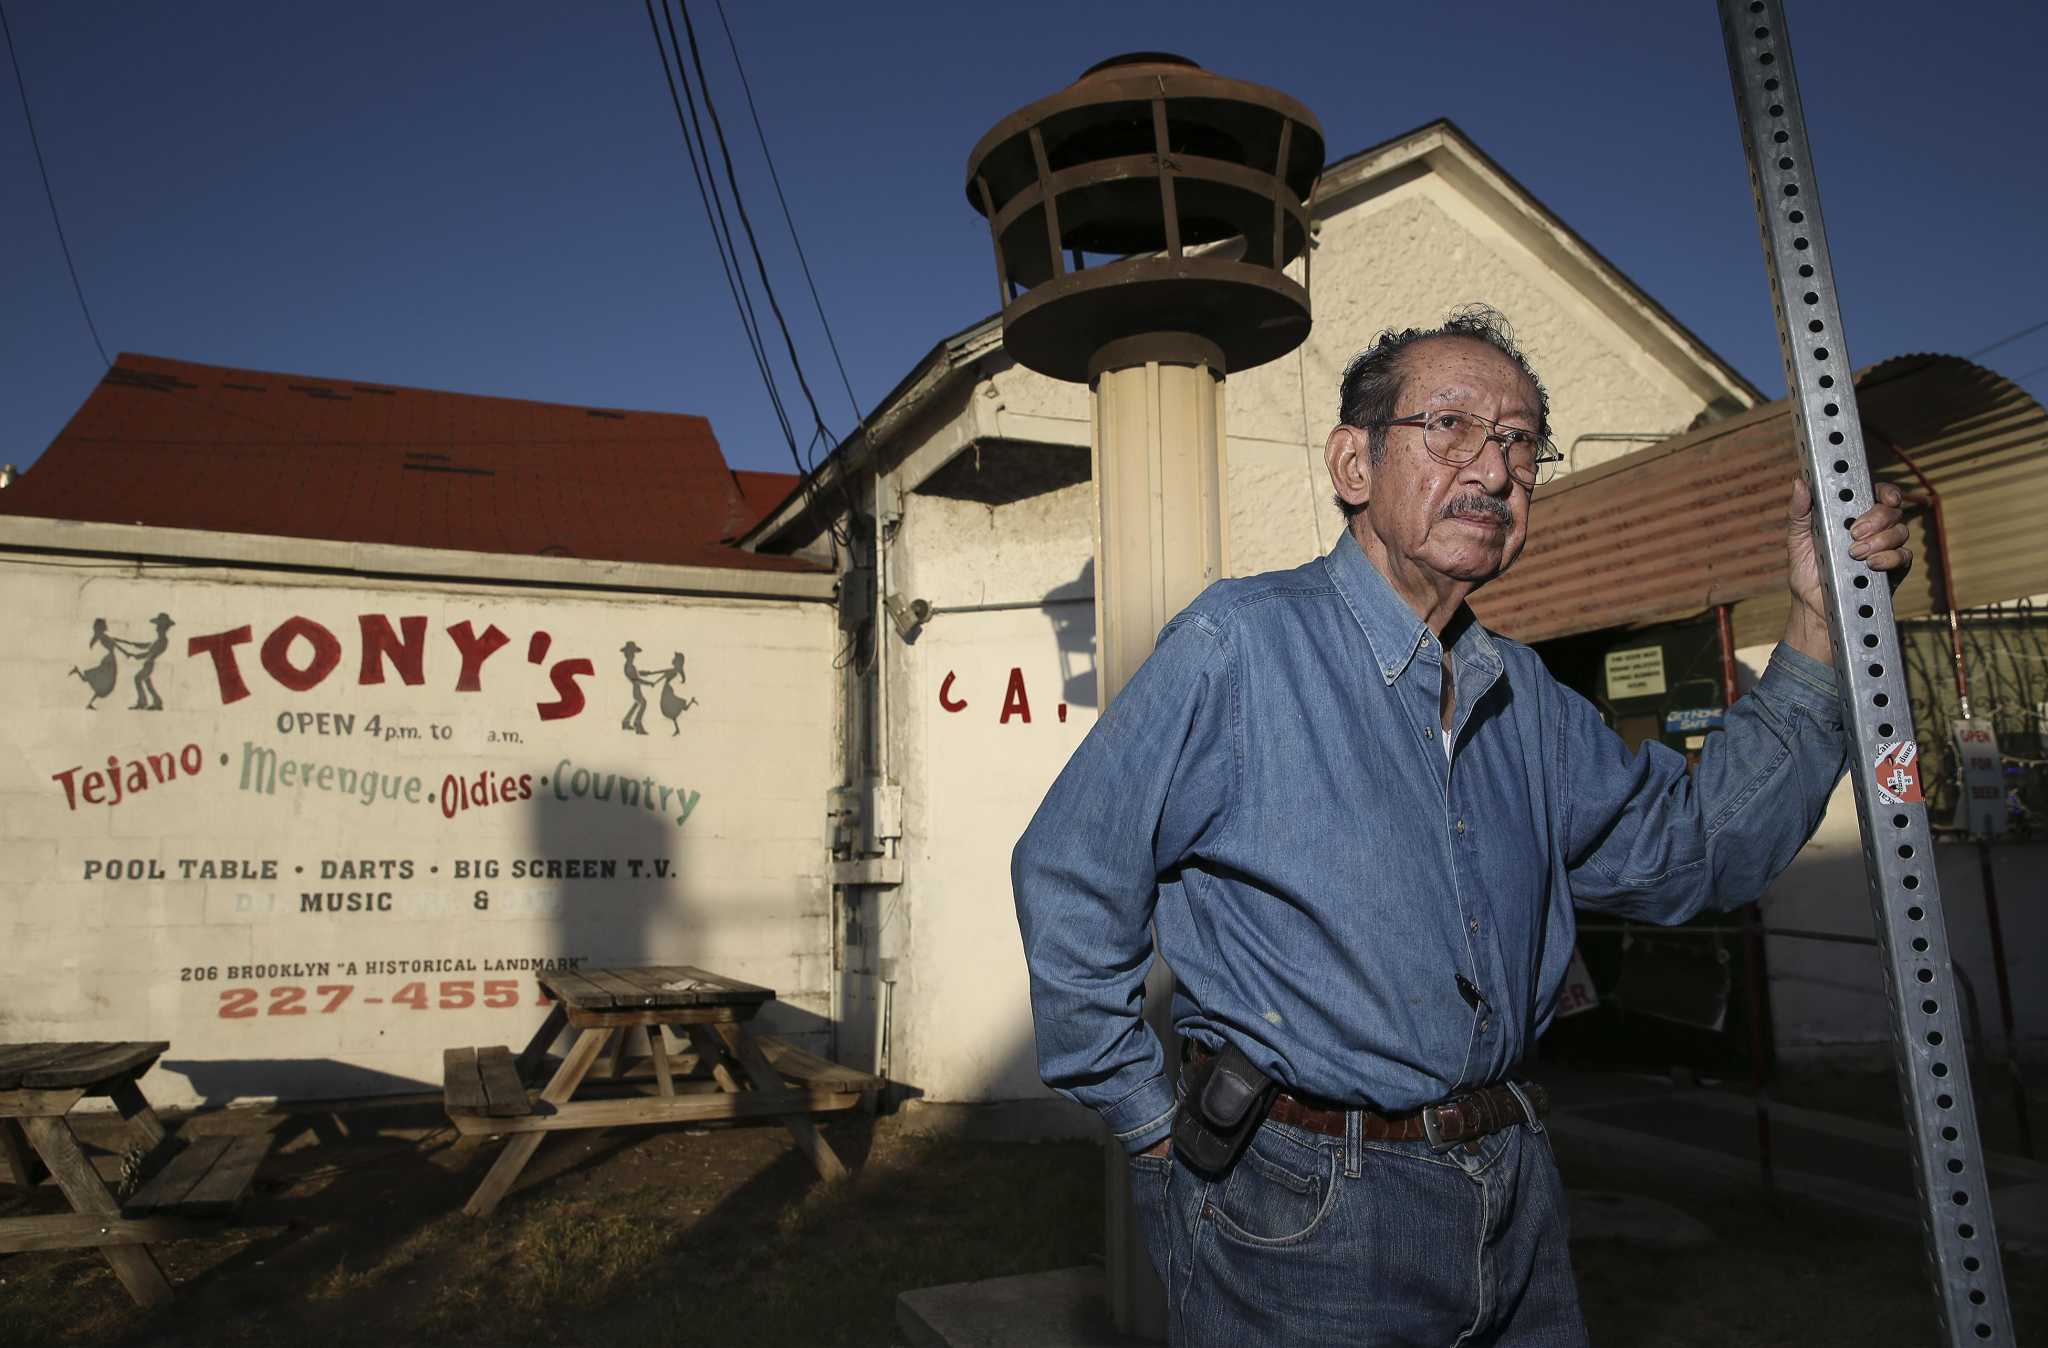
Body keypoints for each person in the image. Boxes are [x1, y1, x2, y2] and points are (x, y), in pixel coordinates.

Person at [1010, 306, 1910, 1347]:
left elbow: (1699, 849)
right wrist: (1146, 1128)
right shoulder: (1237, 648)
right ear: (1353, 461)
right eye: (1449, 428)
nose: (1492, 467)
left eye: (1520, 440)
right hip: (1296, 1217)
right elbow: (1071, 870)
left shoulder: (1525, 699)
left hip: (1513, 1193)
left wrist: (1809, 618)